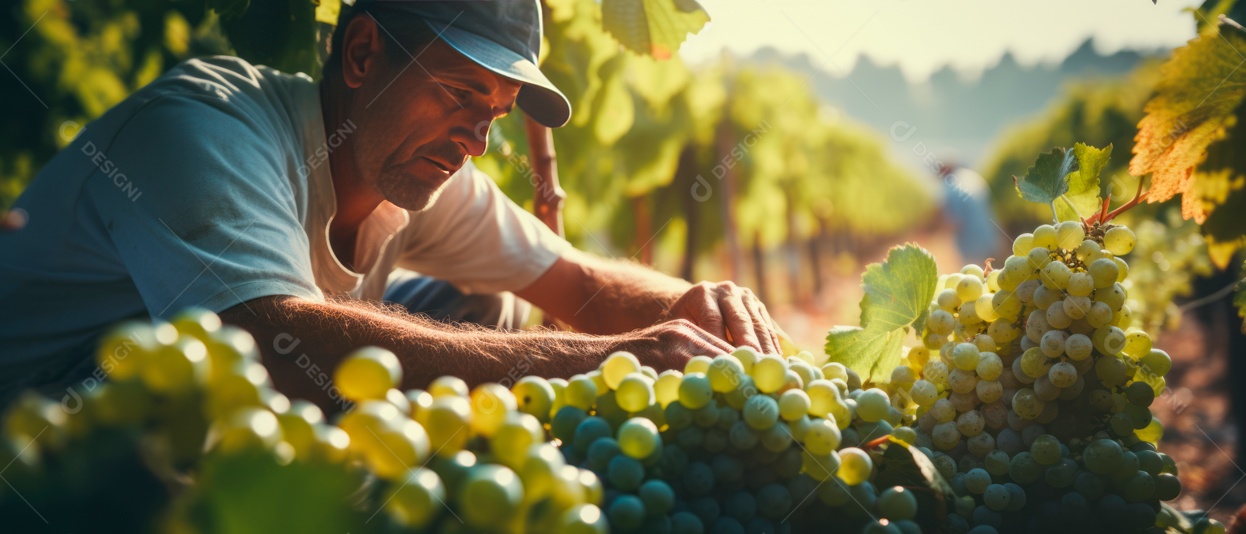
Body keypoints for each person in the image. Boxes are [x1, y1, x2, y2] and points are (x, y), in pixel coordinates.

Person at [0, 1, 781, 410]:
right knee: (218, 382)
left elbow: (578, 284)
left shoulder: (417, 170)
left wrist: (697, 313)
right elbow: (268, 341)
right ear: (364, 51)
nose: (476, 139)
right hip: (42, 446)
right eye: (459, 94)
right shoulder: (206, 132)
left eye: (497, 112)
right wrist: (599, 362)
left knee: (487, 301)